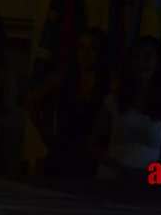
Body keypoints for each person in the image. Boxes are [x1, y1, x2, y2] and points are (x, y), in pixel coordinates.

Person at [85, 35, 161, 180]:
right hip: (111, 176)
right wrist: (117, 166)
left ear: (157, 63)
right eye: (136, 56)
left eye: (147, 57)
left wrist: (147, 174)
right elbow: (91, 145)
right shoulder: (114, 101)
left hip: (148, 181)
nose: (140, 62)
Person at [23, 27, 113, 177]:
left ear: (101, 52)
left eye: (92, 48)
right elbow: (29, 101)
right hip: (63, 152)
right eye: (81, 47)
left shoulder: (110, 83)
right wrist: (44, 132)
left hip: (94, 156)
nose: (86, 53)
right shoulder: (62, 79)